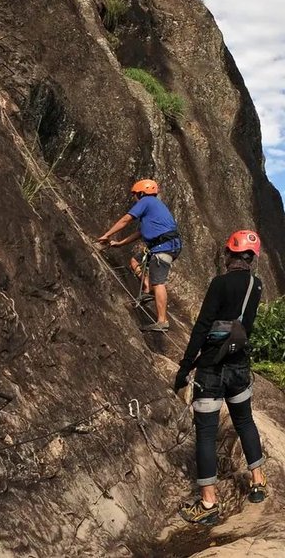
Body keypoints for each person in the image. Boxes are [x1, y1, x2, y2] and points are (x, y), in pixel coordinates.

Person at [174, 230, 266, 525]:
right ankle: (258, 482)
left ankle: (209, 503)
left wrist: (185, 366)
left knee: (206, 433)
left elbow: (202, 326)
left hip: (212, 367)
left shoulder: (220, 284)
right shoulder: (257, 285)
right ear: (252, 258)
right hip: (239, 365)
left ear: (230, 255)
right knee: (244, 421)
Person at [98, 179, 181, 331]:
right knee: (135, 261)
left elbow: (126, 220)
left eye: (135, 195)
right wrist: (120, 243)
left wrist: (107, 235)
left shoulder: (147, 201)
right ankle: (147, 287)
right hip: (162, 245)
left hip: (163, 247)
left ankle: (162, 321)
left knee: (159, 282)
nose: (134, 198)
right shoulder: (154, 208)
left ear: (142, 193)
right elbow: (140, 233)